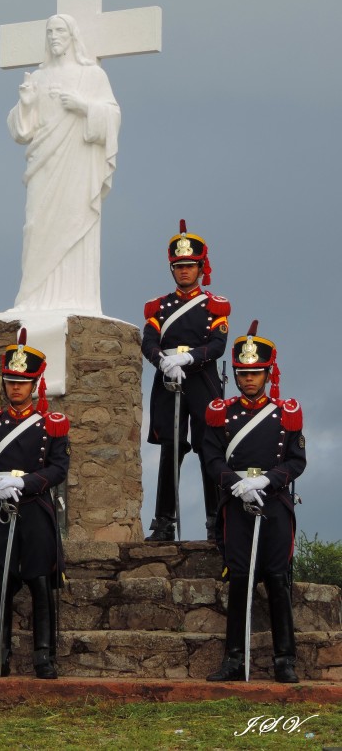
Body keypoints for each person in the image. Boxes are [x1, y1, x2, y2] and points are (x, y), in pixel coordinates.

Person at [203, 322, 305, 683]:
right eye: (243, 373)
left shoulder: (286, 413)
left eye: (255, 373)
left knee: (277, 581)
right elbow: (212, 458)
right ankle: (233, 659)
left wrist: (267, 480)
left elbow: (296, 461)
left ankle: (284, 660)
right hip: (238, 506)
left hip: (273, 505)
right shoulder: (221, 413)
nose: (249, 379)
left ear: (268, 373)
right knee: (240, 581)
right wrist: (236, 484)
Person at [0, 330, 70, 679]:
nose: (16, 388)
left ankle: (44, 656)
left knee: (40, 580)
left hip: (35, 511)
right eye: (11, 380)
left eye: (23, 382)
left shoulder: (51, 426)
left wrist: (25, 483)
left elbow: (59, 468)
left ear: (35, 384)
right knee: (1, 582)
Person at [7, 14, 121, 313]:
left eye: (60, 31)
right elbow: (22, 132)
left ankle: (75, 297)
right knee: (35, 225)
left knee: (76, 219)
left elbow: (112, 117)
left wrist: (83, 106)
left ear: (72, 36)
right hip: (44, 164)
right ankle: (32, 297)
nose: (54, 37)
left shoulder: (92, 76)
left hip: (79, 165)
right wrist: (28, 102)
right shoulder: (39, 78)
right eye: (49, 31)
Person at [142, 220, 230, 541]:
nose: (184, 271)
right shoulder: (159, 307)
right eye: (178, 266)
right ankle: (163, 523)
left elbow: (218, 345)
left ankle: (215, 521)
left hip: (202, 380)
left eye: (189, 266)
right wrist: (163, 361)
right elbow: (148, 341)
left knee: (210, 451)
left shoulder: (213, 305)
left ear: (200, 268)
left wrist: (189, 357)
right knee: (170, 449)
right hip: (168, 382)